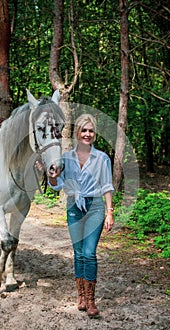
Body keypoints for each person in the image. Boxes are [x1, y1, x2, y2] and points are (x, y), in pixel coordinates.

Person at [41, 114, 114, 317]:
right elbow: (59, 185)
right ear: (77, 133)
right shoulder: (66, 159)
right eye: (84, 130)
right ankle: (81, 297)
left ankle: (91, 301)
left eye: (90, 130)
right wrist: (50, 175)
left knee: (89, 253)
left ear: (95, 133)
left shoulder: (102, 158)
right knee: (79, 253)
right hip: (74, 207)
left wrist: (109, 211)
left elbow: (107, 186)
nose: (87, 134)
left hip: (95, 208)